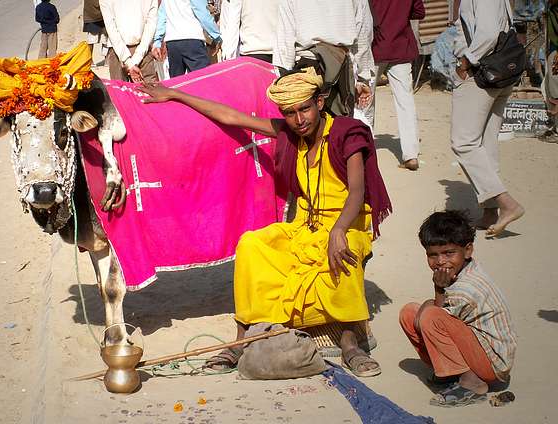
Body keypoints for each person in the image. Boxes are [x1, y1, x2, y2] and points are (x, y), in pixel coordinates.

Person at [138, 68, 392, 377]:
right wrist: (177, 94)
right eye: (290, 113)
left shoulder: (345, 133)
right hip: (305, 228)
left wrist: (339, 229)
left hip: (346, 224)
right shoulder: (290, 133)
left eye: (304, 109)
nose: (299, 119)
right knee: (252, 245)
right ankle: (241, 339)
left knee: (345, 251)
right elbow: (231, 117)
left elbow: (358, 190)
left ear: (320, 103)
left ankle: (351, 343)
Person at [399, 210, 516, 407]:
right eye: (432, 255)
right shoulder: (463, 271)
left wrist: (438, 289)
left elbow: (432, 315)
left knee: (428, 316)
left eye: (448, 253)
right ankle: (452, 373)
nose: (440, 262)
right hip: (477, 348)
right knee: (409, 312)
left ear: (468, 250)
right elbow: (430, 312)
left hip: (493, 364)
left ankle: (473, 383)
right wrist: (436, 298)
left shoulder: (465, 288)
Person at [450, 0, 524, 237]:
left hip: (481, 73)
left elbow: (489, 32)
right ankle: (491, 212)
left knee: (463, 142)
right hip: (500, 72)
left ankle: (507, 204)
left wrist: (465, 62)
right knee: (485, 143)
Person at [273, 0, 375, 118]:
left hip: (310, 67)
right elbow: (364, 34)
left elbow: (285, 40)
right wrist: (363, 77)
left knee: (307, 126)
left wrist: (284, 79)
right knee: (339, 126)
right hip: (337, 66)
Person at [368, 0, 425, 171]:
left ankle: (365, 151)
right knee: (405, 102)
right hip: (400, 46)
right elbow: (419, 12)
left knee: (366, 101)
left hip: (374, 47)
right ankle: (411, 155)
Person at [152, 0, 222, 77]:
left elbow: (162, 16)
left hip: (172, 41)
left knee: (177, 82)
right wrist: (216, 36)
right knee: (203, 79)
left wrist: (157, 41)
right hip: (192, 38)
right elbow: (202, 13)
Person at [100, 0, 158, 83]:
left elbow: (111, 29)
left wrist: (129, 62)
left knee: (120, 93)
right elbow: (151, 25)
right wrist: (135, 60)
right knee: (150, 92)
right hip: (140, 49)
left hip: (119, 51)